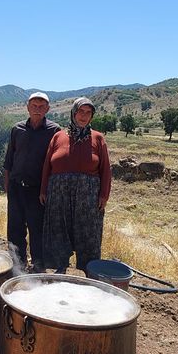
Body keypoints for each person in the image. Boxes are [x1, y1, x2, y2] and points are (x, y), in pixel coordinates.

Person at [40, 97, 112, 274]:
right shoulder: (58, 136)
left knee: (88, 234)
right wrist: (43, 190)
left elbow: (106, 170)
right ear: (73, 112)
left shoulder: (98, 138)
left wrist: (104, 195)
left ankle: (89, 272)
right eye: (81, 111)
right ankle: (59, 270)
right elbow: (47, 167)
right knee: (58, 229)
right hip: (58, 194)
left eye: (88, 112)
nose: (84, 116)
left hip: (87, 197)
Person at [3, 92, 61, 272]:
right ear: (27, 107)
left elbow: (55, 163)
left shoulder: (55, 131)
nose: (37, 109)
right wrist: (8, 187)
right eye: (34, 106)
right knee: (15, 229)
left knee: (37, 229)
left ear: (48, 109)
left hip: (38, 190)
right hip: (16, 187)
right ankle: (17, 264)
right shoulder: (17, 129)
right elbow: (9, 160)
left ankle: (38, 266)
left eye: (41, 106)